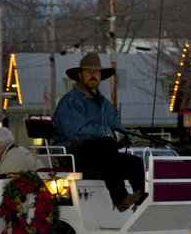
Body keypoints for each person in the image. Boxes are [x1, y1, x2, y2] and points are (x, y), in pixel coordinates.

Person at [52, 51, 145, 212]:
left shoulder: (104, 104)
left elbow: (115, 127)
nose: (93, 75)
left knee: (136, 163)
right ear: (79, 76)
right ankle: (120, 197)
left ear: (101, 76)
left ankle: (143, 204)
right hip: (72, 155)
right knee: (106, 143)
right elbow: (78, 132)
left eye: (96, 72)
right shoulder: (69, 101)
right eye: (88, 71)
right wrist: (110, 134)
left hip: (101, 156)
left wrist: (126, 136)